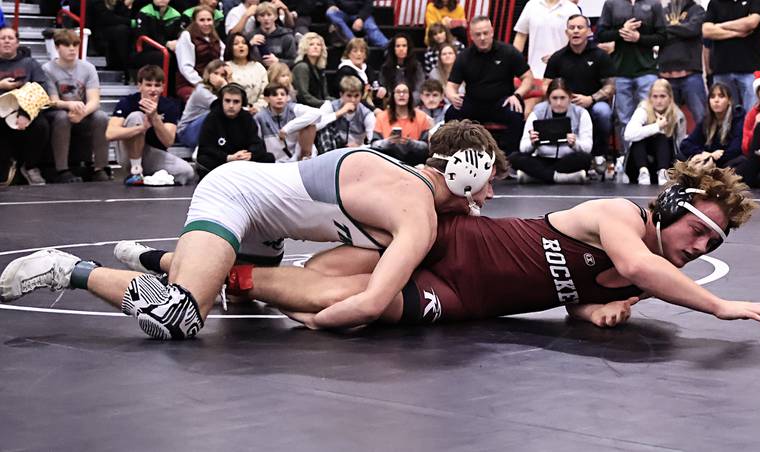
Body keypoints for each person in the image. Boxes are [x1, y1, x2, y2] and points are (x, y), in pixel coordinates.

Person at [0, 121, 509, 340]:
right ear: (469, 172)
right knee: (179, 317)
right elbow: (372, 302)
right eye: (488, 186)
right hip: (234, 193)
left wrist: (304, 295)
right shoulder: (416, 213)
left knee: (241, 293)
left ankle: (156, 261)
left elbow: (320, 271)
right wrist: (316, 319)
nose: (487, 199)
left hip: (267, 227)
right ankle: (67, 269)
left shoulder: (412, 194)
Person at [217, 162, 760, 331]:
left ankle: (233, 279)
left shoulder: (651, 274)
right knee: (334, 280)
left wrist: (593, 312)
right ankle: (199, 268)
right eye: (699, 230)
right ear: (668, 208)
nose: (701, 247)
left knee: (349, 312)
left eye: (714, 241)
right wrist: (720, 305)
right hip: (455, 244)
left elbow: (573, 294)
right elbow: (632, 261)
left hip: (465, 300)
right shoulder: (622, 217)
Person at [445, 16, 534, 154]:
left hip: (501, 103)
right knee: (451, 112)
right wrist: (452, 96)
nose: (482, 38)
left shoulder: (508, 52)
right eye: (478, 34)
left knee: (516, 113)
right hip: (474, 103)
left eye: (485, 33)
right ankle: (454, 155)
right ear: (471, 36)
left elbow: (528, 78)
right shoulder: (464, 56)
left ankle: (511, 158)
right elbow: (451, 85)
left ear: (492, 32)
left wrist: (517, 95)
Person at [544, 14, 615, 175]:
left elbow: (610, 86)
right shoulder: (557, 57)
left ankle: (599, 155)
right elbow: (546, 85)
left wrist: (591, 98)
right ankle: (550, 157)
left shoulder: (600, 55)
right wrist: (564, 99)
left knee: (603, 112)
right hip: (565, 105)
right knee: (541, 108)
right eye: (572, 28)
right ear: (566, 32)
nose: (575, 31)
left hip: (593, 102)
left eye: (580, 27)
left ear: (588, 31)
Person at [106, 65, 195, 186]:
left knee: (187, 172)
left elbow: (168, 141)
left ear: (163, 87)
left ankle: (147, 177)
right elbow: (110, 133)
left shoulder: (169, 105)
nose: (153, 90)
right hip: (128, 153)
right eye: (148, 85)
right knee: (136, 116)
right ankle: (136, 171)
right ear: (140, 86)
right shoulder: (127, 102)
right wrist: (141, 128)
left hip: (152, 154)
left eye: (157, 85)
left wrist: (154, 117)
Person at [43, 29, 109, 183]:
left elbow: (94, 100)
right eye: (67, 45)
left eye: (75, 44)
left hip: (81, 112)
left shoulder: (88, 68)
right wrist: (69, 104)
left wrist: (82, 113)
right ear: (57, 47)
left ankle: (100, 168)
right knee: (62, 117)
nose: (72, 48)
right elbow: (52, 101)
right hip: (58, 111)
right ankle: (62, 169)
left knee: (101, 117)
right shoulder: (48, 69)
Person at [597, 0, 666, 128]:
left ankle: (649, 148)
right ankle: (626, 149)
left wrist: (639, 38)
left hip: (647, 69)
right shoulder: (611, 3)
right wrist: (621, 31)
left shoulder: (654, 4)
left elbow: (662, 37)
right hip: (619, 69)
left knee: (650, 115)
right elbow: (600, 35)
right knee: (624, 119)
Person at [512, 78, 592, 185]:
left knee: (585, 159)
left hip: (567, 160)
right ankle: (560, 177)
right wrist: (532, 143)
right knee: (514, 158)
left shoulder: (581, 113)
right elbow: (523, 147)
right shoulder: (537, 112)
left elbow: (587, 147)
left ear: (569, 97)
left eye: (563, 98)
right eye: (554, 98)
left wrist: (575, 144)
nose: (558, 103)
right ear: (548, 98)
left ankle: (536, 177)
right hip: (543, 158)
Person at [0, 26, 51, 186]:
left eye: (10, 38)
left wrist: (25, 113)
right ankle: (5, 167)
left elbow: (41, 89)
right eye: (2, 38)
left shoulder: (30, 64)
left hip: (25, 109)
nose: (7, 41)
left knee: (41, 125)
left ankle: (30, 167)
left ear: (17, 43)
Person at [196, 83, 272, 177]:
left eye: (236, 102)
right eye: (227, 101)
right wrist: (228, 157)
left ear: (242, 103)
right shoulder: (212, 117)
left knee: (269, 158)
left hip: (243, 160)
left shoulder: (247, 118)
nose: (231, 106)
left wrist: (249, 155)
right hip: (222, 161)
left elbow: (257, 143)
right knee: (203, 160)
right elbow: (205, 148)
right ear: (221, 101)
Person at [702, 0, 760, 110]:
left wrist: (719, 26)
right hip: (722, 70)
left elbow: (751, 23)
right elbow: (707, 31)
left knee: (751, 115)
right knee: (724, 115)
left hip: (750, 70)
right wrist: (737, 32)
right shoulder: (714, 3)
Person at [624, 79, 687, 186]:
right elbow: (628, 135)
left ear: (670, 98)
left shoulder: (677, 115)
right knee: (638, 138)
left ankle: (662, 172)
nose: (659, 101)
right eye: (655, 96)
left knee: (662, 137)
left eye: (663, 96)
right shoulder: (642, 110)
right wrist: (657, 126)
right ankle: (643, 171)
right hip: (638, 164)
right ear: (650, 98)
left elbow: (680, 145)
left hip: (666, 163)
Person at [658, 0, 707, 125]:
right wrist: (680, 30)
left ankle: (705, 145)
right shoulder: (662, 11)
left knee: (701, 117)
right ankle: (672, 146)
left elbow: (692, 29)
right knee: (666, 121)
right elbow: (657, 34)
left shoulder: (697, 10)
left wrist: (667, 29)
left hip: (690, 74)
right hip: (666, 76)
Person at [679, 82, 744, 168]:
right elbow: (685, 144)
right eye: (712, 97)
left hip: (726, 160)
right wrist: (705, 154)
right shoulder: (706, 120)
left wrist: (711, 158)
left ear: (729, 100)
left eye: (721, 96)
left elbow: (735, 149)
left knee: (741, 162)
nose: (716, 100)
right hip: (707, 159)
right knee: (679, 157)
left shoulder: (738, 118)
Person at [512, 0, 580, 80]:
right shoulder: (532, 5)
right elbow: (521, 35)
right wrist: (514, 66)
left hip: (561, 76)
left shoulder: (572, 8)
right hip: (533, 74)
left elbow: (578, 42)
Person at [254, 83, 319, 161]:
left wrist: (287, 128)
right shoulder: (260, 116)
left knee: (310, 125)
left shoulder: (293, 108)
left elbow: (317, 113)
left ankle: (306, 157)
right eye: (275, 95)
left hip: (298, 159)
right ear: (266, 99)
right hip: (275, 162)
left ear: (288, 97)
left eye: (282, 94)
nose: (279, 98)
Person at [372, 83, 433, 165]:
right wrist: (388, 142)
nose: (401, 95)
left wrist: (411, 143)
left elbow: (426, 147)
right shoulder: (382, 117)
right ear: (393, 95)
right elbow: (374, 145)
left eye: (405, 92)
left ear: (410, 96)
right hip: (388, 162)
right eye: (398, 92)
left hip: (415, 163)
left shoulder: (421, 116)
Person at [175, 6, 225, 102]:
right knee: (210, 101)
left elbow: (221, 60)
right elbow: (185, 67)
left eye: (209, 20)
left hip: (212, 82)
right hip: (189, 83)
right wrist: (202, 84)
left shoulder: (215, 37)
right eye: (202, 20)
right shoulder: (186, 36)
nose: (206, 23)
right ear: (194, 21)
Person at [131, 0, 182, 94]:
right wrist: (166, 44)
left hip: (167, 51)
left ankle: (175, 95)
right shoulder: (144, 12)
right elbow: (142, 38)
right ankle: (162, 93)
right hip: (144, 51)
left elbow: (178, 36)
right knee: (162, 56)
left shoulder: (176, 15)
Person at [176, 60, 229, 149]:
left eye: (223, 75)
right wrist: (225, 85)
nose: (219, 78)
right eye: (215, 73)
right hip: (187, 132)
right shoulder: (201, 89)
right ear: (208, 74)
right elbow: (223, 107)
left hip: (204, 130)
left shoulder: (220, 91)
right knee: (216, 114)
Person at [316, 75, 376, 152]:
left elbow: (374, 142)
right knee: (325, 126)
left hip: (356, 151)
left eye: (357, 96)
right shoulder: (330, 106)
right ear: (341, 95)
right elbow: (315, 125)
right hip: (333, 148)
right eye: (349, 96)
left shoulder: (366, 114)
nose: (353, 100)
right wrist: (339, 113)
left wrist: (360, 147)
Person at [224, 32, 269, 113]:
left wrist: (257, 107)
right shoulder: (226, 67)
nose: (241, 46)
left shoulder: (258, 66)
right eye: (236, 43)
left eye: (244, 43)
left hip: (259, 111)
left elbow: (266, 91)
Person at [86, 0, 134, 73]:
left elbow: (124, 14)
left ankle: (126, 68)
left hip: (115, 32)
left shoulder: (117, 2)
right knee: (121, 31)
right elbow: (106, 18)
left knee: (125, 31)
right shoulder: (95, 2)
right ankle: (126, 69)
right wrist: (129, 22)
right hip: (97, 34)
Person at [247, 2, 297, 69]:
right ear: (257, 18)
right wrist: (249, 45)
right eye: (262, 15)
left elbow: (293, 61)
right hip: (256, 72)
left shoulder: (286, 36)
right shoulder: (251, 36)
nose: (266, 18)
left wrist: (278, 61)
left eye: (269, 15)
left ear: (276, 16)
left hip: (279, 72)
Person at [379, 34, 425, 104]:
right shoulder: (386, 68)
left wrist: (408, 102)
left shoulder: (416, 67)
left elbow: (419, 89)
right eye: (398, 46)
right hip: (392, 105)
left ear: (408, 48)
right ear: (393, 49)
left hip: (413, 104)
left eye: (404, 46)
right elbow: (384, 87)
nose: (401, 49)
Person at [334, 38, 381, 104]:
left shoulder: (368, 68)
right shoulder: (345, 71)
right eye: (355, 51)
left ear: (365, 55)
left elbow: (375, 84)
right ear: (349, 54)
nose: (359, 54)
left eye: (362, 51)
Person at [292, 32, 331, 108]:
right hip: (305, 108)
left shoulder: (320, 68)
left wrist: (338, 102)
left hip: (319, 106)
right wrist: (324, 104)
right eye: (311, 44)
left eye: (318, 45)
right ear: (305, 47)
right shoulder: (302, 67)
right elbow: (303, 96)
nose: (315, 47)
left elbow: (325, 95)